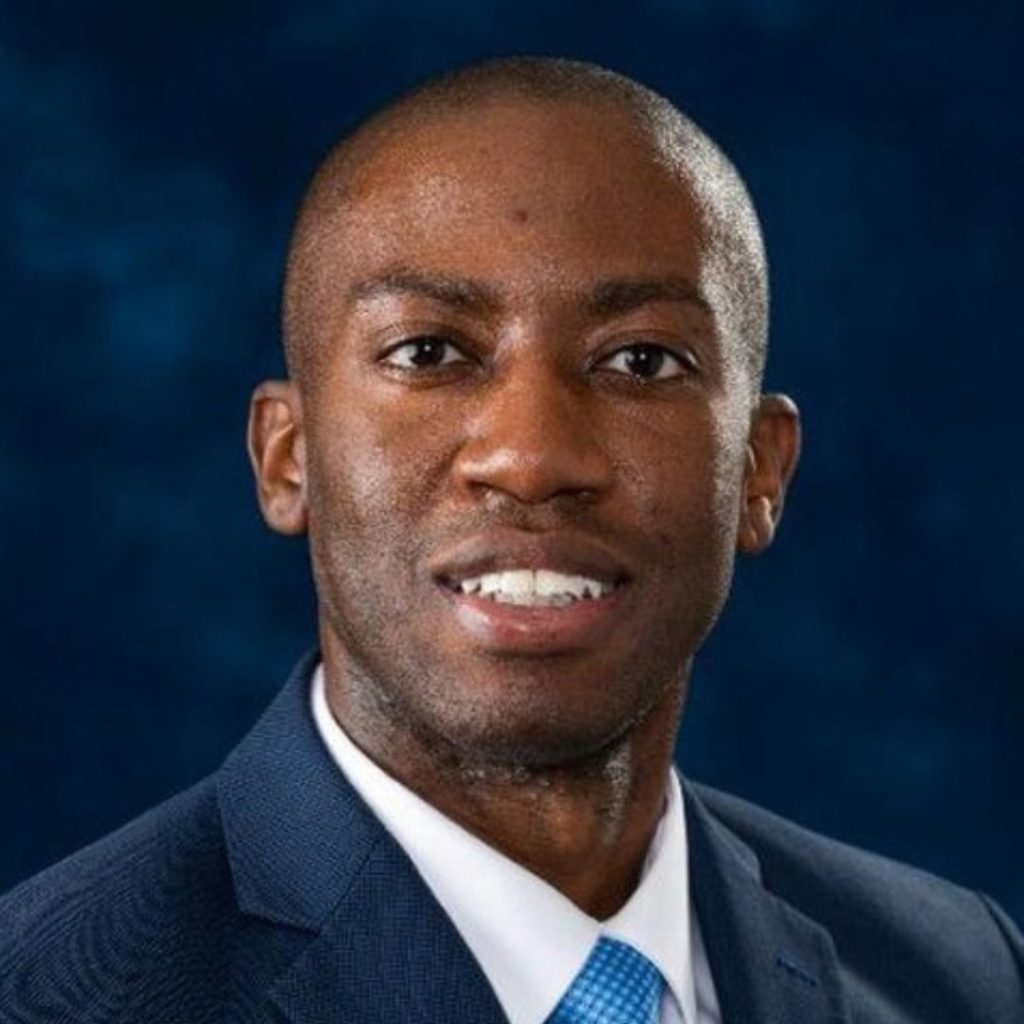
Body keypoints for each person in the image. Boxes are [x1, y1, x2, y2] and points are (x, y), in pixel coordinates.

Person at [1, 57, 1020, 1024]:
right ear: (287, 458)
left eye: (642, 360)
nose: (532, 457)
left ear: (759, 470)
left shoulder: (960, 972)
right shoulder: (50, 995)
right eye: (429, 351)